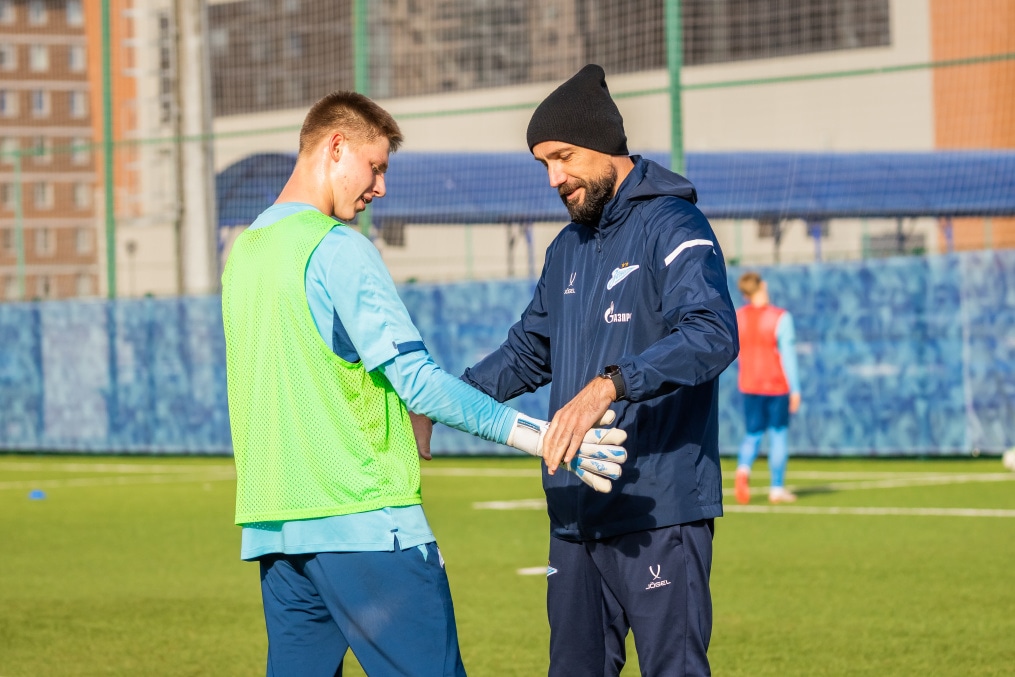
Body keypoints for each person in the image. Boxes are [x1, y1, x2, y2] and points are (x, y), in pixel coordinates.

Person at [220, 90, 626, 677]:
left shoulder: (246, 251)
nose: (380, 187)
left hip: (278, 531)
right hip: (367, 526)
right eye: (376, 166)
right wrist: (548, 438)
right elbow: (420, 385)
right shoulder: (338, 249)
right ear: (335, 147)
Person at [461, 65, 739, 677]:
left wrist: (610, 383)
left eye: (563, 157)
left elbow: (712, 334)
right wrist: (444, 402)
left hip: (658, 509)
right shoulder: (568, 247)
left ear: (605, 144)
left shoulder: (674, 224)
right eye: (544, 165)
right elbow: (526, 353)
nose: (555, 177)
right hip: (573, 512)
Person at [733, 271, 802, 505]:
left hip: (749, 384)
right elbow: (788, 356)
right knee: (778, 434)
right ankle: (776, 488)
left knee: (752, 434)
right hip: (776, 385)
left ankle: (743, 470)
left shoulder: (738, 318)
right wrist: (796, 389)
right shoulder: (780, 318)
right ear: (762, 285)